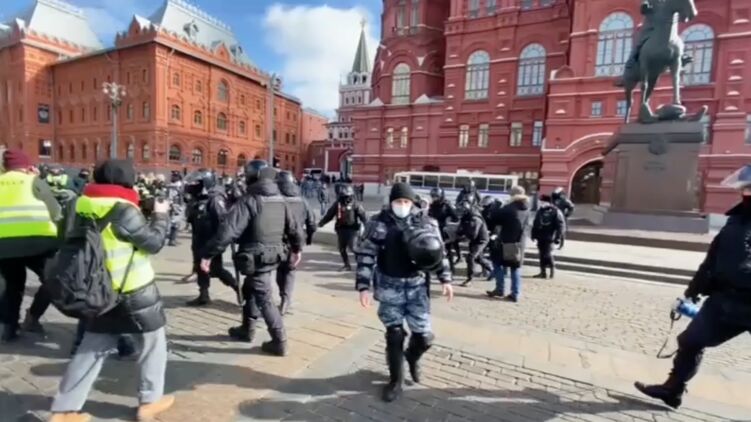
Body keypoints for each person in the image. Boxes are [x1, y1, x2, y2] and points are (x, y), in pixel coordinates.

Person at [49, 159, 173, 422]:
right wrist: (161, 216)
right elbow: (153, 243)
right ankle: (150, 402)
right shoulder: (124, 209)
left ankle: (64, 410)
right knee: (153, 344)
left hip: (95, 290)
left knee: (91, 348)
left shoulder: (78, 204)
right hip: (134, 289)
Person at [634, 165, 751, 409]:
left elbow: (737, 264)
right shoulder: (736, 219)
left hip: (742, 301)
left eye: (748, 189)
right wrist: (694, 290)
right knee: (690, 341)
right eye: (744, 188)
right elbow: (712, 259)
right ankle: (672, 389)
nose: (744, 193)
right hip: (725, 301)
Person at [355, 182, 454, 402]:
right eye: (398, 201)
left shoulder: (427, 222)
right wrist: (363, 286)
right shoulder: (378, 223)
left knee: (424, 337)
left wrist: (445, 278)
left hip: (417, 287)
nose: (402, 205)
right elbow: (366, 255)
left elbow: (438, 253)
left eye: (406, 201)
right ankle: (395, 381)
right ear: (391, 202)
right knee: (395, 335)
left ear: (412, 202)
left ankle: (412, 356)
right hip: (390, 287)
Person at [200, 160, 303, 356]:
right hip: (274, 255)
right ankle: (247, 329)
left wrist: (208, 254)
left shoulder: (250, 200)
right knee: (250, 289)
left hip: (255, 257)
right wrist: (297, 249)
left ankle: (279, 341)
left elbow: (228, 232)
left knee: (264, 298)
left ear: (251, 177)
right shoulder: (280, 199)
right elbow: (294, 228)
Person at [0, 150, 62, 342]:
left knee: (11, 286)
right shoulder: (33, 181)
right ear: (27, 166)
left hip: (4, 245)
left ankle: (8, 328)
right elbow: (56, 212)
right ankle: (33, 316)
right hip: (40, 243)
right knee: (53, 279)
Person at [184, 169, 239, 306]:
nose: (193, 185)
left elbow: (222, 221)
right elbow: (191, 217)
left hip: (211, 241)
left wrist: (218, 244)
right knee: (199, 267)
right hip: (198, 239)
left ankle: (237, 287)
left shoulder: (215, 198)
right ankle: (203, 294)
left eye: (197, 183)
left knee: (216, 269)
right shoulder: (198, 198)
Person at [615, 0, 692, 87]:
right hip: (651, 28)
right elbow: (643, 7)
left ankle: (681, 58)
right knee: (636, 50)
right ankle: (627, 74)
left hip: (668, 28)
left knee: (677, 43)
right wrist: (645, 6)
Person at [275, 170, 317, 315]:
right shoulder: (302, 201)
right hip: (296, 241)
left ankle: (283, 296)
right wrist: (308, 239)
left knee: (280, 269)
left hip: (278, 241)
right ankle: (286, 299)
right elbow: (312, 223)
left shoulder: (276, 200)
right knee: (290, 270)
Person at [486, 186, 530, 302]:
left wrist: (496, 205)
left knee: (497, 263)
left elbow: (494, 218)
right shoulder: (526, 208)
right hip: (520, 243)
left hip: (506, 242)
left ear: (513, 195)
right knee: (515, 268)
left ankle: (500, 289)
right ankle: (515, 293)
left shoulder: (509, 208)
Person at [318, 185, 367, 271]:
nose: (345, 199)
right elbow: (329, 215)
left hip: (353, 230)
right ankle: (347, 265)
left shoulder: (355, 204)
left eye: (347, 196)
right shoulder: (337, 204)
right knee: (342, 248)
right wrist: (321, 223)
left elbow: (363, 217)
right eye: (344, 196)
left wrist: (368, 227)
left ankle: (361, 265)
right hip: (341, 229)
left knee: (354, 248)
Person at [531, 194, 566, 279]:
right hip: (540, 236)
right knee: (541, 254)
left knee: (548, 254)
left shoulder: (555, 211)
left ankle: (552, 271)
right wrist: (533, 234)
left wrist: (558, 237)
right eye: (540, 201)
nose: (541, 203)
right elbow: (535, 223)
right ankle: (542, 272)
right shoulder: (540, 210)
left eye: (542, 201)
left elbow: (560, 225)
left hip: (550, 236)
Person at [428, 188, 460, 274]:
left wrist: (448, 221)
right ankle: (437, 269)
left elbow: (456, 217)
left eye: (436, 196)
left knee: (447, 251)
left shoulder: (447, 205)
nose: (434, 198)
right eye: (433, 196)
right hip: (434, 230)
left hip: (444, 231)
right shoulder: (432, 205)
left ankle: (451, 270)